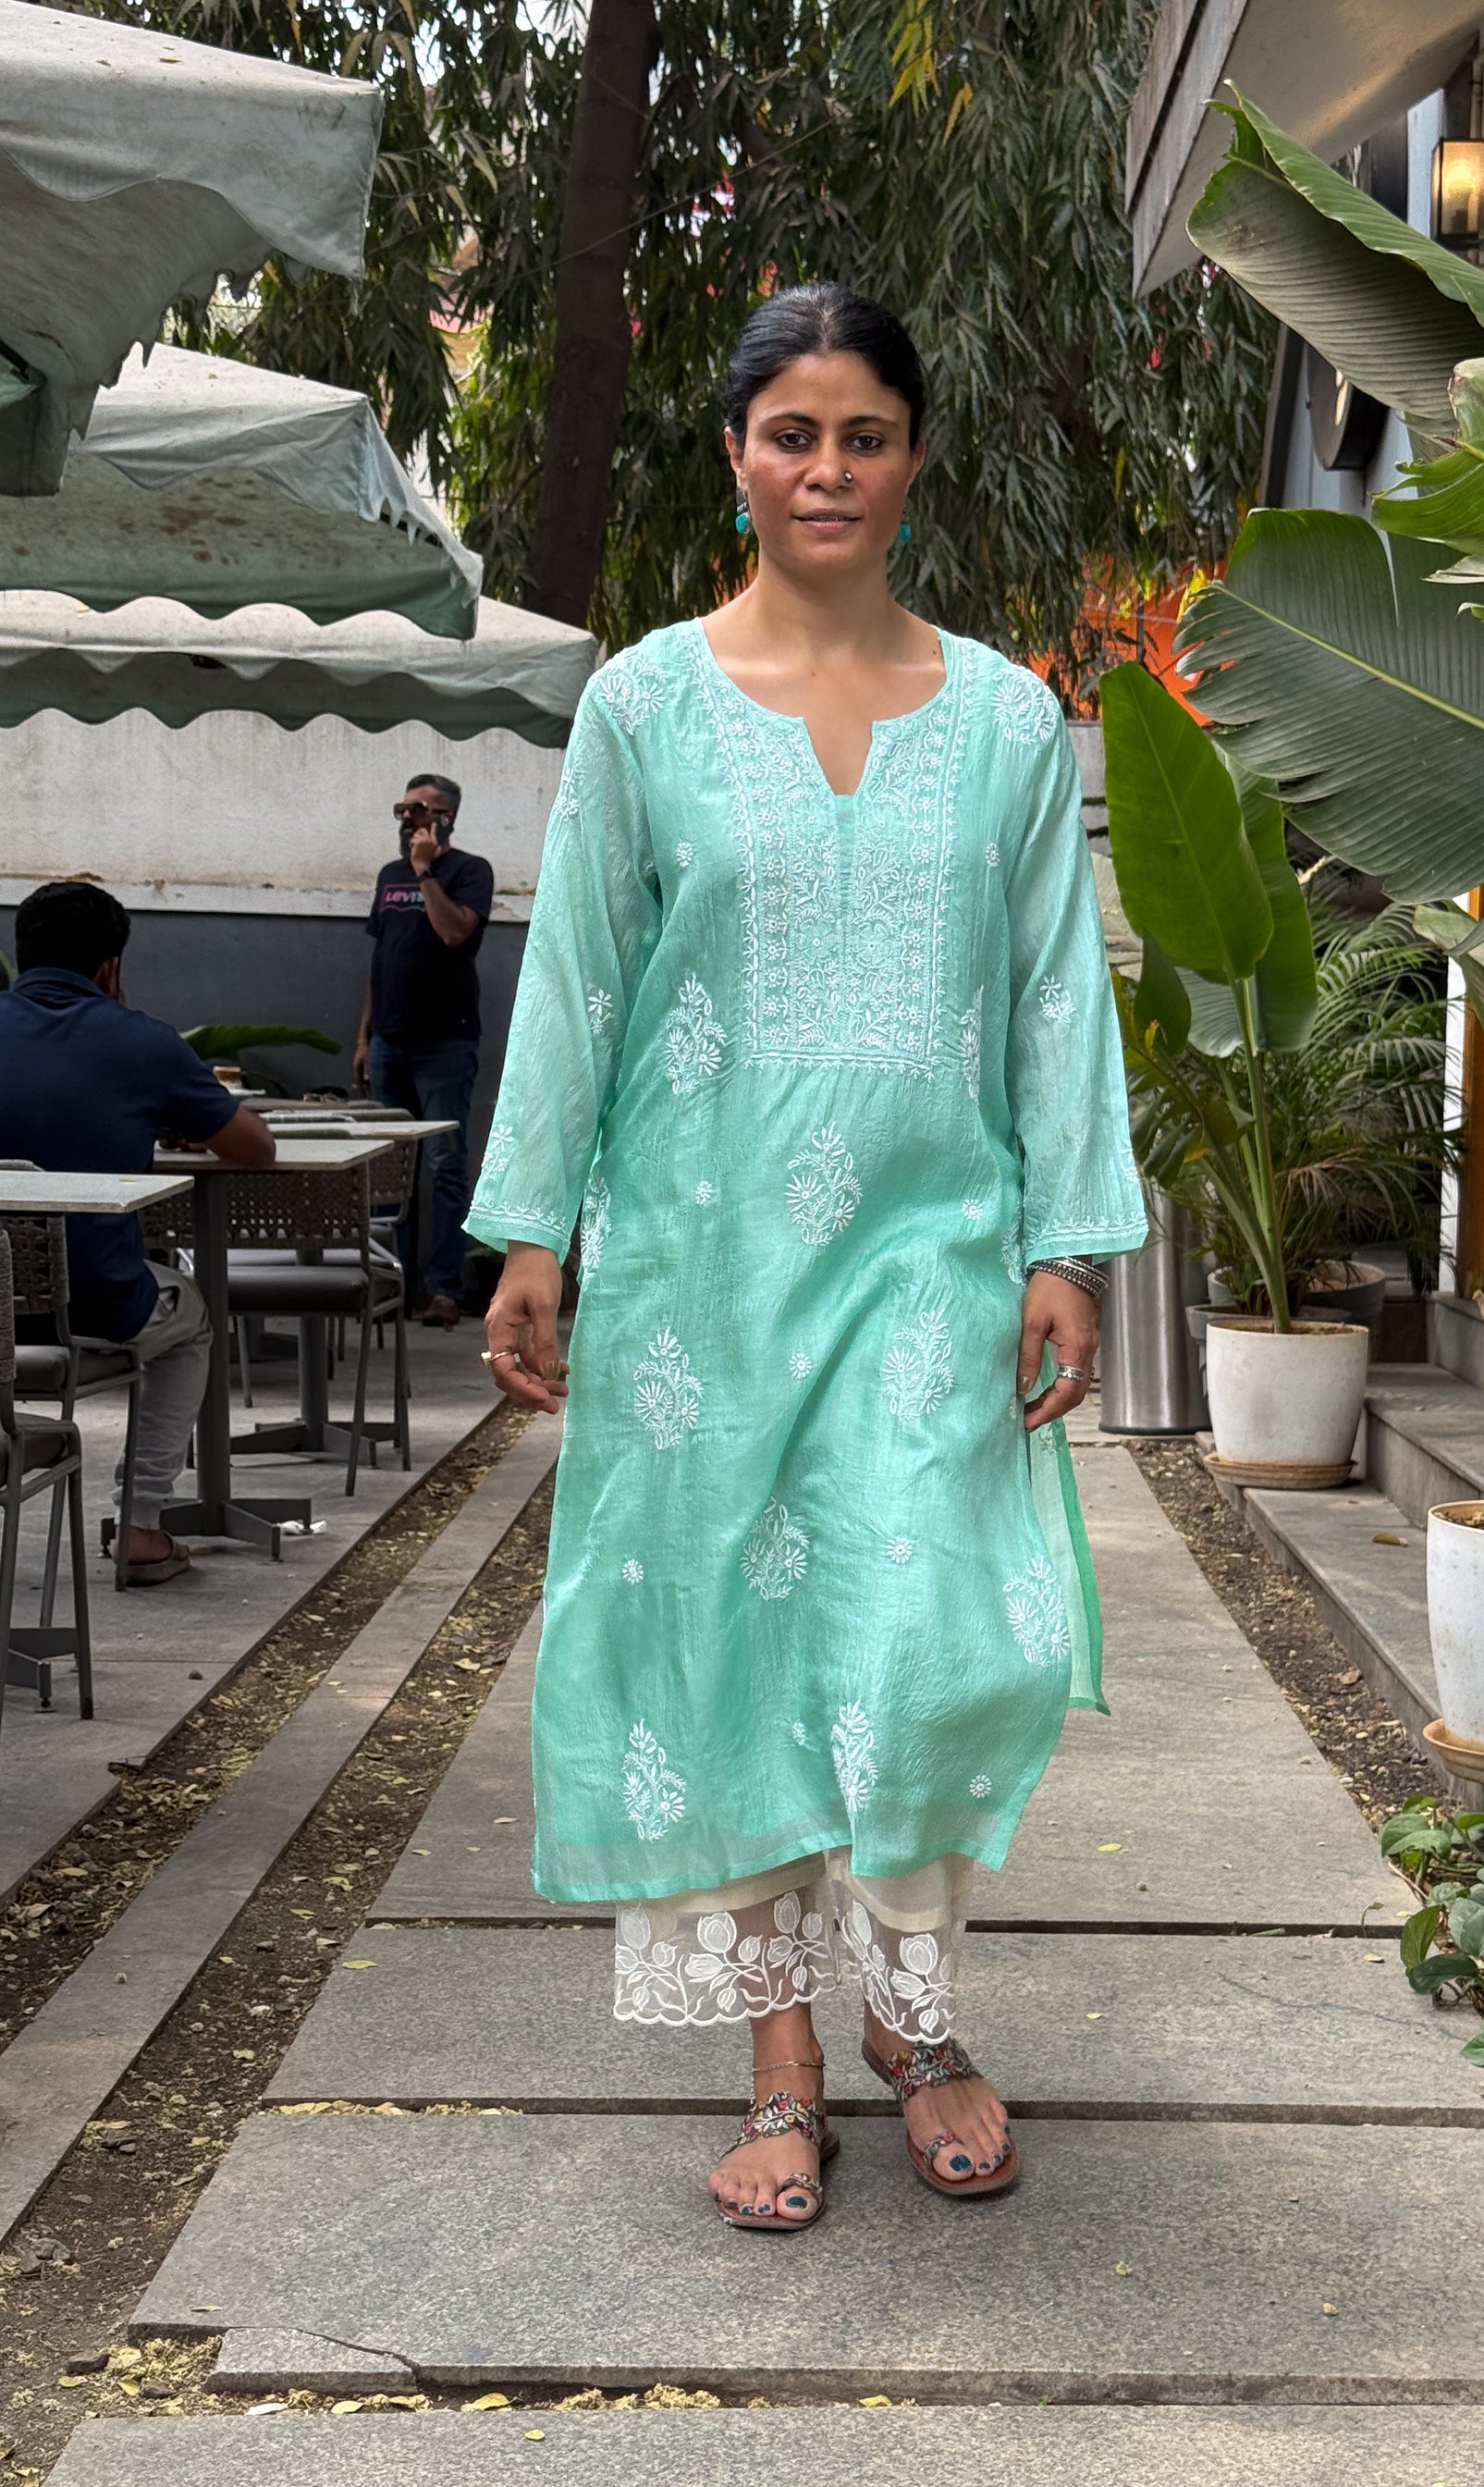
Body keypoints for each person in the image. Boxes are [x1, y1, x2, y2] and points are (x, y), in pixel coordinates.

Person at [468, 283, 1146, 2232]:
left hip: (932, 1255)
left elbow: (1057, 995)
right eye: (792, 434)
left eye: (863, 434)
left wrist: (1070, 1241)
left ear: (913, 457)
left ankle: (912, 2019)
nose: (827, 468)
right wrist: (533, 1229)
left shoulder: (1008, 722)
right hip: (702, 1263)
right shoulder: (645, 707)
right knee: (733, 1641)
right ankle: (781, 2054)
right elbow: (578, 977)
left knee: (934, 1642)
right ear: (737, 458)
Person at [0, 881, 275, 1585]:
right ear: (110, 967)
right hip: (93, 1305)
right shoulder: (143, 1042)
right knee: (191, 1320)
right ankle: (141, 1525)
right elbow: (256, 1148)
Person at [353, 772, 495, 1329]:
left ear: (445, 819)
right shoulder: (387, 877)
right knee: (392, 1169)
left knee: (444, 1166)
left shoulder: (469, 872)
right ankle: (395, 1288)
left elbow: (454, 933)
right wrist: (364, 1037)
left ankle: (443, 1289)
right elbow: (381, 959)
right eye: (403, 809)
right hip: (389, 1041)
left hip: (445, 1043)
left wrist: (424, 871)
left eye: (419, 810)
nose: (407, 818)